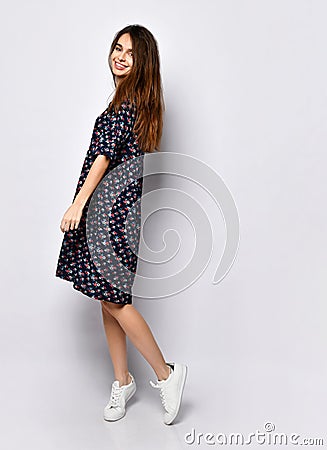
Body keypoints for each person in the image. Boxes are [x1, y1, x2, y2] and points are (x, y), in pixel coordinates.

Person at [55, 24, 187, 425]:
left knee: (116, 301)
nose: (120, 56)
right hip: (111, 216)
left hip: (109, 216)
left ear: (142, 61)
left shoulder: (126, 105)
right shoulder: (130, 102)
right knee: (105, 297)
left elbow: (103, 159)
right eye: (117, 48)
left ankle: (166, 374)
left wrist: (77, 203)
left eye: (130, 52)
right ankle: (122, 380)